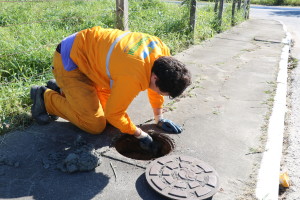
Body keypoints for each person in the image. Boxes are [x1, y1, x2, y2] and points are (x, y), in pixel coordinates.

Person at [30, 26, 191, 152]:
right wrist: (139, 134)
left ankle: (63, 90)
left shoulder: (162, 53)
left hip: (93, 63)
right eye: (161, 92)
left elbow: (154, 89)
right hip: (71, 62)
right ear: (155, 78)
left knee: (109, 121)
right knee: (95, 125)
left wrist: (159, 118)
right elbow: (115, 114)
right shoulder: (132, 75)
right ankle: (45, 98)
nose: (159, 94)